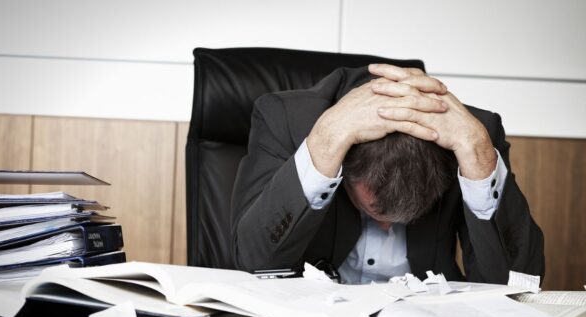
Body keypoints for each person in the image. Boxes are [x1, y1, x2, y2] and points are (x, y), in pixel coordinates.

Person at [230, 63, 544, 284]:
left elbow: (518, 286)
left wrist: (479, 156)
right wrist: (323, 144)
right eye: (371, 210)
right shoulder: (288, 120)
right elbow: (253, 264)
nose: (386, 225)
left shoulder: (471, 136)